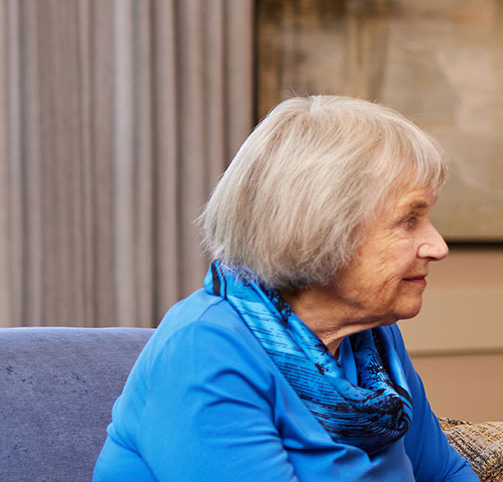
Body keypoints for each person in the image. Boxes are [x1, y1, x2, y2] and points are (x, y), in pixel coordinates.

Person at [95, 96, 478, 482]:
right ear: (322, 227)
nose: (438, 246)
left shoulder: (373, 345)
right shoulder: (205, 347)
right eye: (409, 220)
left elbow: (444, 472)